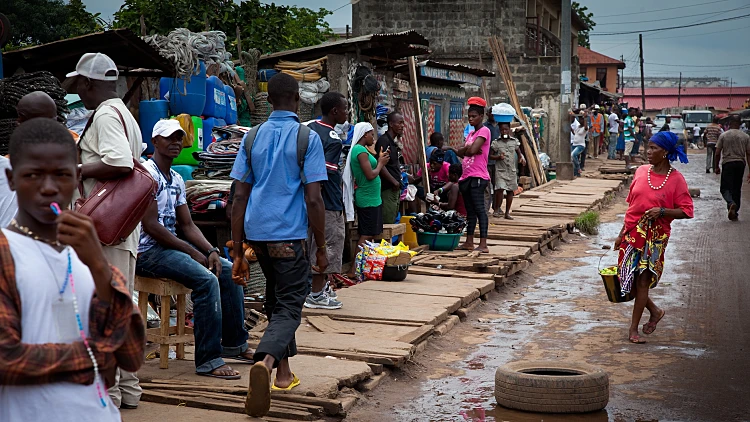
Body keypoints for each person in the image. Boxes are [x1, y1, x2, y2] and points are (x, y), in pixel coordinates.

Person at [0, 118, 145, 421]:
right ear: (12, 179)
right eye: (34, 175)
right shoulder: (6, 252)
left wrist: (99, 268)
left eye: (62, 175)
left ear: (77, 177)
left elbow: (131, 356)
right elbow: (6, 358)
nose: (49, 188)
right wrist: (92, 358)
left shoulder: (84, 251)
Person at [229, 73, 328, 417]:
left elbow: (238, 195)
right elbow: (314, 200)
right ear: (298, 100)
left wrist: (238, 245)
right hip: (289, 235)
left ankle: (284, 375)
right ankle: (266, 362)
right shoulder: (307, 137)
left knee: (275, 298)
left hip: (257, 233)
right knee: (290, 306)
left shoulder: (252, 137)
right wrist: (321, 248)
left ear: (268, 101)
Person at [136, 120, 252, 379]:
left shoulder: (176, 178)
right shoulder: (146, 174)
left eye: (179, 138)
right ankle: (209, 360)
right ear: (155, 141)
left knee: (226, 268)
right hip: (147, 252)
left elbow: (187, 225)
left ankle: (234, 344)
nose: (175, 142)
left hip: (167, 248)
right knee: (206, 280)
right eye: (168, 138)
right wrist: (193, 254)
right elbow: (152, 227)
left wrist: (210, 250)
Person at [67, 52, 143, 409]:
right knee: (121, 304)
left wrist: (79, 170)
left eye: (79, 84)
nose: (78, 92)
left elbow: (119, 161)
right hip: (122, 228)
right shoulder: (125, 113)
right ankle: (128, 391)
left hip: (105, 229)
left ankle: (109, 396)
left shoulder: (106, 115)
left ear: (87, 83)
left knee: (104, 308)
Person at [614, 131, 693, 344]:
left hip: (655, 238)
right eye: (647, 147)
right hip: (632, 234)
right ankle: (655, 311)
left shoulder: (676, 180)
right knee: (625, 278)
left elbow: (687, 210)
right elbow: (633, 206)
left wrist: (663, 211)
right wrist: (621, 234)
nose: (648, 152)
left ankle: (633, 329)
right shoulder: (640, 172)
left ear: (665, 152)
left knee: (642, 282)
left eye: (653, 149)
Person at [304, 92, 348, 310]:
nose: (347, 114)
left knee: (313, 243)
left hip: (308, 201)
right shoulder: (333, 139)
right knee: (328, 245)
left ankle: (318, 289)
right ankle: (316, 294)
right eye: (345, 109)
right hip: (327, 202)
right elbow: (323, 176)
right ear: (335, 112)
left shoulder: (309, 128)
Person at [456, 98, 491, 253]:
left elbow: (468, 151)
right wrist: (470, 148)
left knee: (479, 210)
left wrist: (469, 149)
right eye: (469, 116)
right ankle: (469, 241)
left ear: (481, 116)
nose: (471, 119)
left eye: (474, 116)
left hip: (478, 176)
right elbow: (460, 151)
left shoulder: (484, 131)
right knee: (469, 210)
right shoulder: (471, 133)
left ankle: (483, 244)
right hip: (466, 176)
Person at [346, 122, 389, 247]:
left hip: (372, 198)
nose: (373, 138)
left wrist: (379, 159)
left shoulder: (363, 150)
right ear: (365, 135)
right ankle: (355, 266)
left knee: (370, 235)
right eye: (371, 134)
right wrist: (380, 163)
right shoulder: (360, 150)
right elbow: (370, 175)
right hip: (367, 198)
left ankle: (364, 265)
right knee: (366, 235)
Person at [714, 115, 750, 221]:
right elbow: (748, 154)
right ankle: (735, 212)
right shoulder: (745, 136)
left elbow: (717, 153)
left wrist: (716, 166)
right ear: (739, 124)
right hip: (740, 163)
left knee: (725, 188)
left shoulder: (724, 135)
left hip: (728, 163)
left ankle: (730, 203)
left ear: (729, 124)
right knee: (736, 188)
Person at [490, 123, 526, 219]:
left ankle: (507, 212)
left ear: (509, 130)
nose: (504, 132)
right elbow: (490, 155)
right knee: (500, 189)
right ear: (499, 130)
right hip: (500, 170)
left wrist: (521, 158)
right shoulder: (496, 143)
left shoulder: (514, 142)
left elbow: (519, 153)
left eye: (506, 129)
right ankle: (497, 209)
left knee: (510, 191)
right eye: (502, 130)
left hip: (511, 170)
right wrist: (498, 157)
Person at [375, 112, 404, 225]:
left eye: (403, 123)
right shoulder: (384, 141)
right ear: (391, 124)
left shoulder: (392, 142)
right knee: (387, 222)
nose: (402, 126)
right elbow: (380, 165)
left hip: (394, 188)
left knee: (392, 220)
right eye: (399, 123)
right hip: (387, 189)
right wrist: (394, 182)